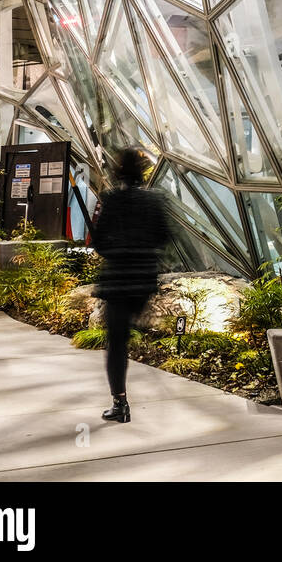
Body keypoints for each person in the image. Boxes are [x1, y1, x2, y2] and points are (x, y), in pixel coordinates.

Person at [92, 148, 171, 423]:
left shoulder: (112, 200)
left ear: (118, 171)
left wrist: (120, 249)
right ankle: (120, 402)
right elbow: (163, 237)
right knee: (124, 337)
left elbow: (99, 242)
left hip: (119, 281)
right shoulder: (154, 200)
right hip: (143, 281)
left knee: (117, 344)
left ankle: (120, 403)